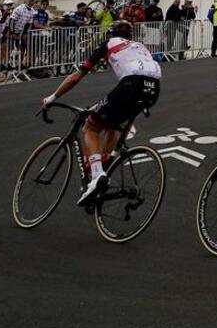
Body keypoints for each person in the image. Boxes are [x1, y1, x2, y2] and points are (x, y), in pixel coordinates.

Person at [40, 21, 162, 204]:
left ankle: (97, 175)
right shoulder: (140, 46)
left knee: (91, 125)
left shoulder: (108, 44)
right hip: (153, 89)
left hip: (131, 84)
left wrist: (52, 98)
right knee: (114, 121)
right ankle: (105, 165)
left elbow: (76, 77)